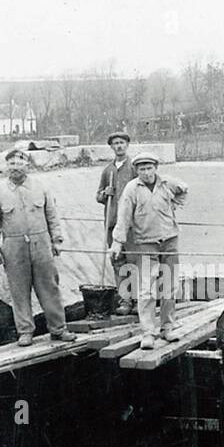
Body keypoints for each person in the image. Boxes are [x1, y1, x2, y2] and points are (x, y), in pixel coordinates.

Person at [0, 147, 78, 347]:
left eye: (19, 163)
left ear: (27, 165)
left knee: (49, 287)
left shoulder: (41, 188)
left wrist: (57, 240)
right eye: (11, 164)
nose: (15, 167)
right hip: (13, 246)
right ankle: (25, 332)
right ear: (6, 166)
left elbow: (52, 216)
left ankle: (59, 329)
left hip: (41, 244)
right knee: (19, 291)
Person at [111, 154, 188, 349]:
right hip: (146, 243)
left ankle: (168, 327)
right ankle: (148, 332)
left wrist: (176, 205)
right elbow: (123, 216)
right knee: (147, 288)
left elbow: (184, 190)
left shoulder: (167, 183)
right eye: (142, 169)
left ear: (156, 168)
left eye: (149, 168)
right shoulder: (132, 189)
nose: (146, 172)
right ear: (137, 171)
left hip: (170, 240)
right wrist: (117, 242)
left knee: (170, 286)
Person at [95, 131, 137, 313]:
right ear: (111, 147)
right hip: (112, 223)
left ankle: (138, 300)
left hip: (132, 224)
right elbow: (98, 196)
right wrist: (105, 194)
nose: (119, 146)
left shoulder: (135, 167)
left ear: (127, 145)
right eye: (115, 143)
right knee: (118, 261)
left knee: (134, 260)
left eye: (122, 143)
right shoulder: (107, 171)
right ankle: (125, 301)